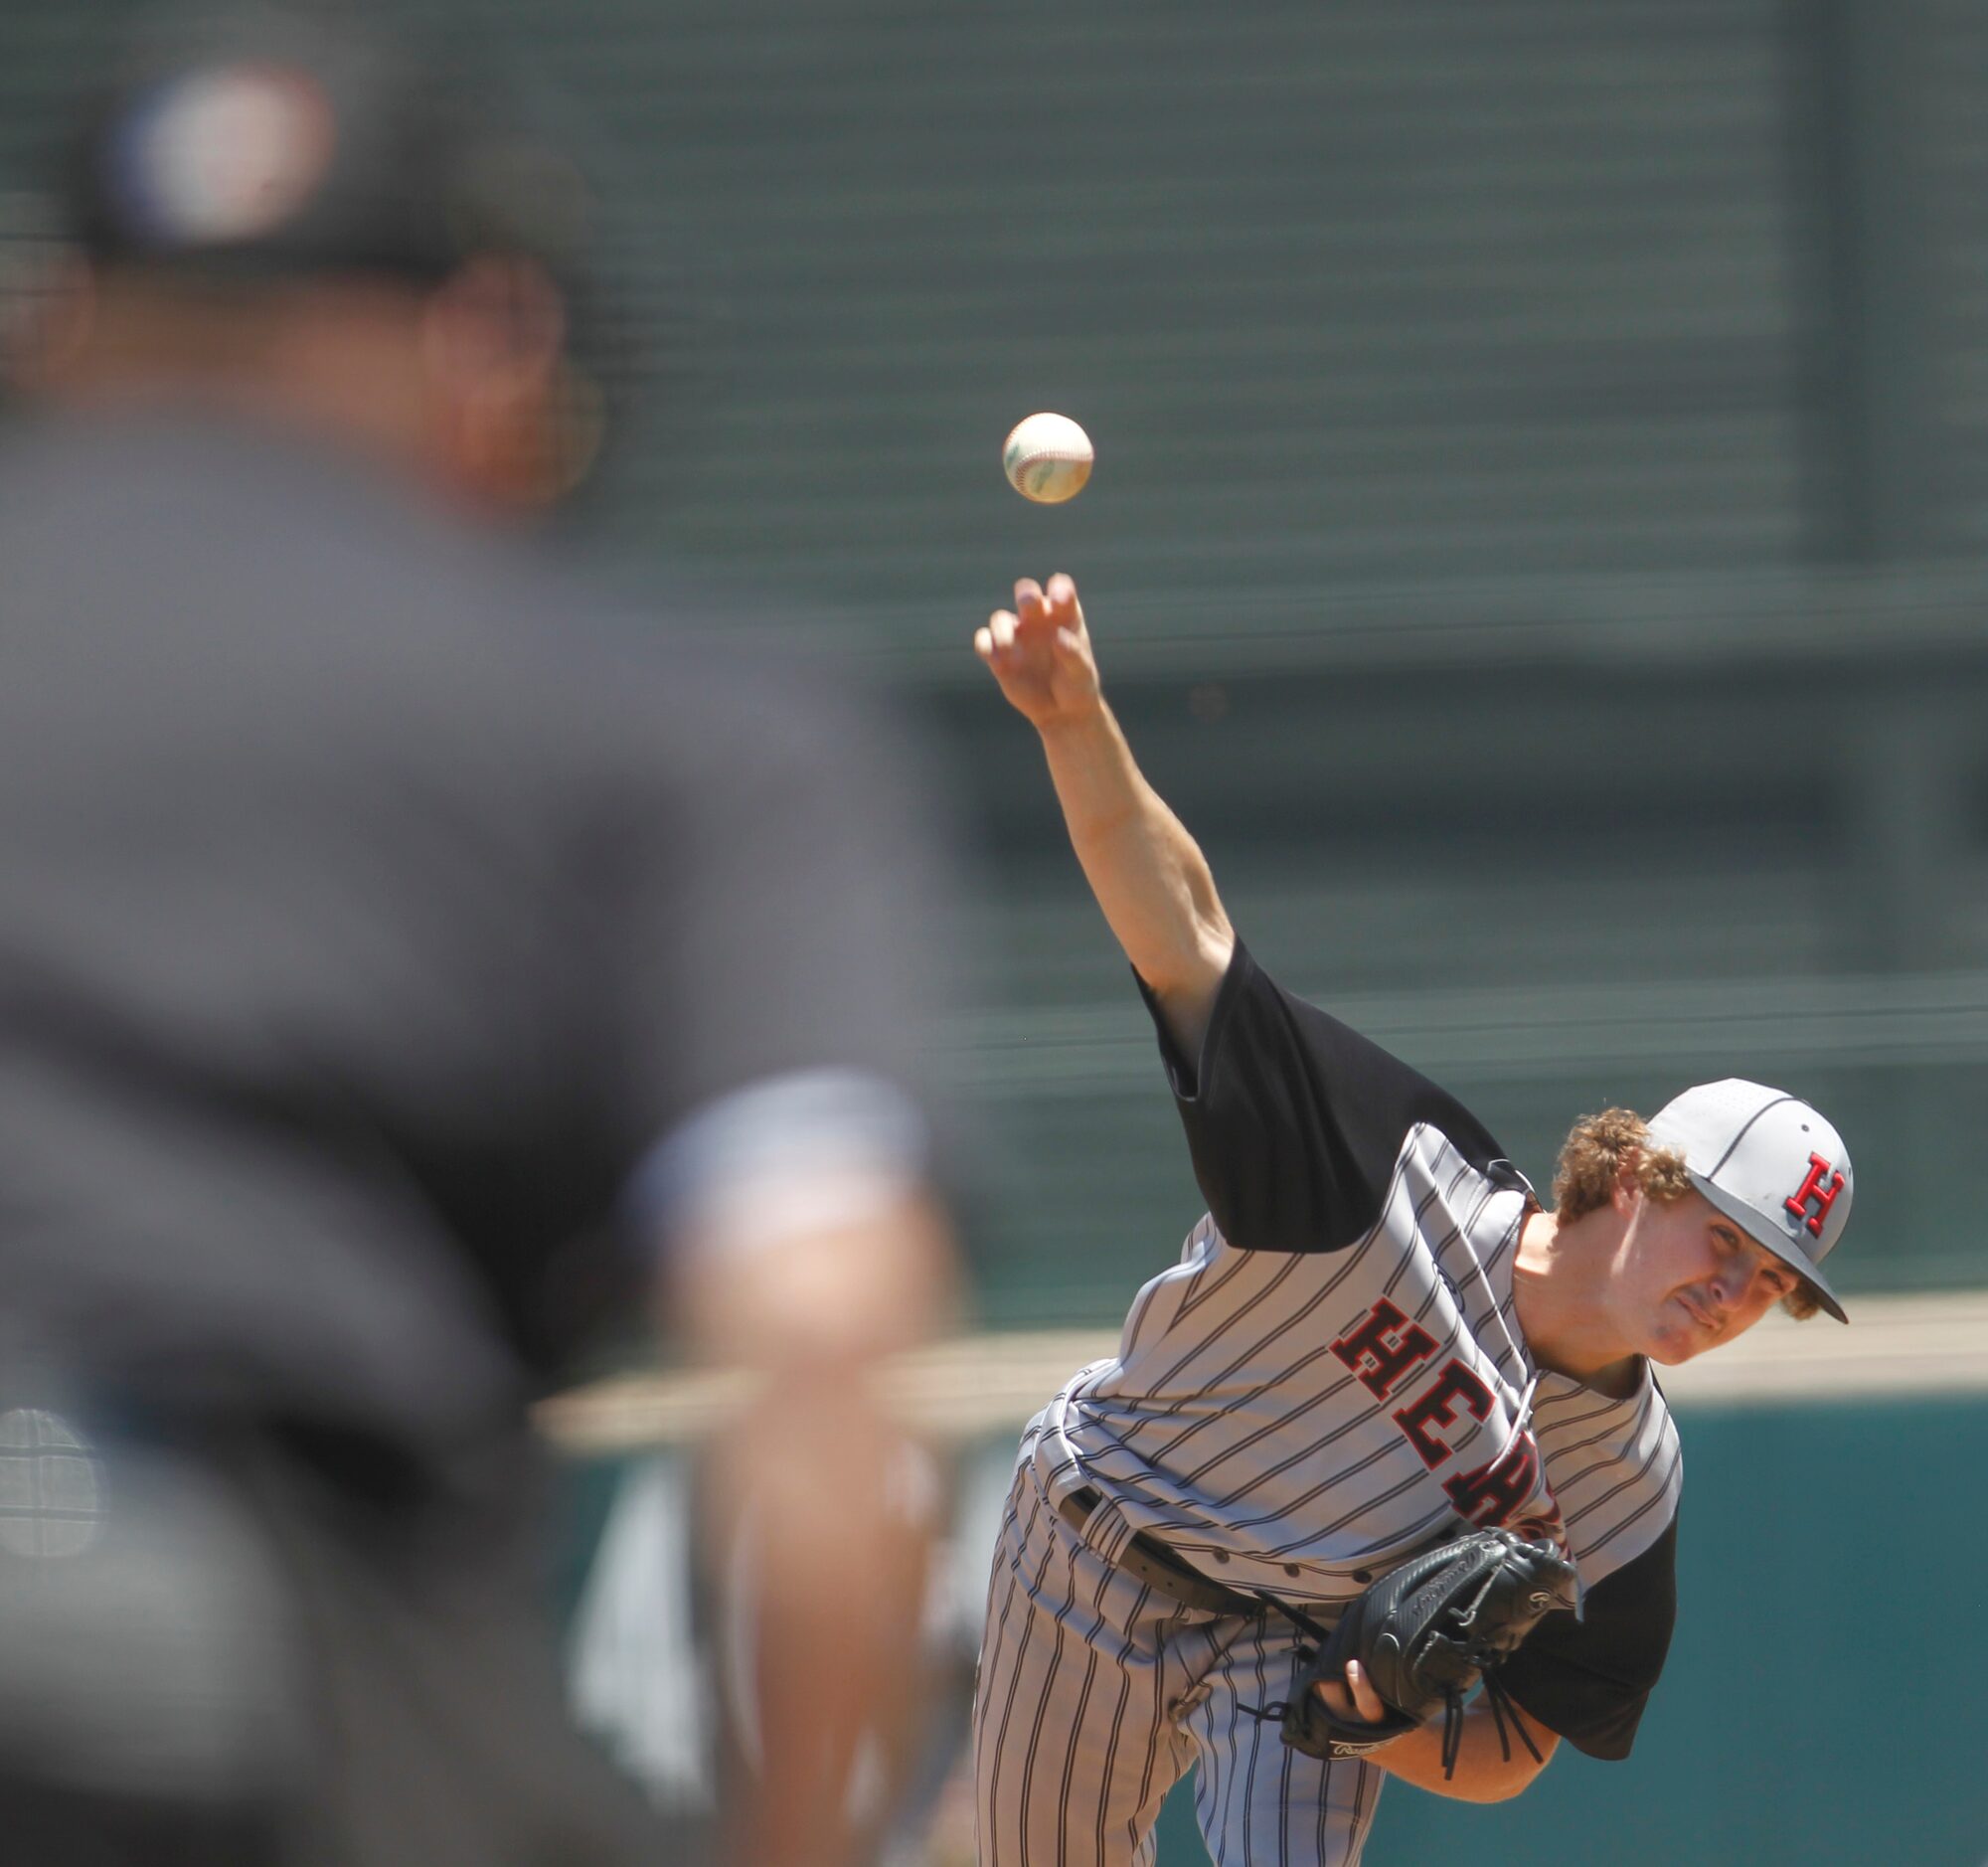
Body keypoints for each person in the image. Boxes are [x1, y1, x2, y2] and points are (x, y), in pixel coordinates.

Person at [0, 8, 956, 1865]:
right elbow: (822, 1328)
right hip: (252, 1667)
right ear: (494, 345)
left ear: (49, 324)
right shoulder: (672, 722)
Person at [967, 573, 1854, 1867]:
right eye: (1725, 1238)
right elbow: (1190, 940)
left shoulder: (1629, 1483)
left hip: (1294, 1644)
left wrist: (1372, 1710)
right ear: (1631, 1175)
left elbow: (1522, 1745)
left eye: (1771, 1281)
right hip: (1100, 1532)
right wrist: (1071, 722)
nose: (1738, 1292)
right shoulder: (1389, 1177)